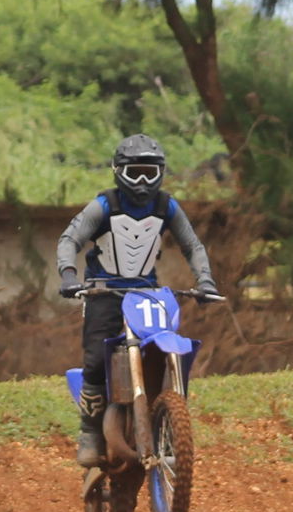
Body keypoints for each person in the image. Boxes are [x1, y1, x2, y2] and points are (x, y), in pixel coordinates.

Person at [56, 134, 220, 467]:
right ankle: (89, 432)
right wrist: (69, 276)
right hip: (103, 291)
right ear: (118, 171)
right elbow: (70, 238)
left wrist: (205, 280)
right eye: (135, 172)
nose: (143, 181)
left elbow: (193, 246)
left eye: (150, 172)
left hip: (147, 293)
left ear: (161, 171)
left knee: (166, 347)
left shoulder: (166, 206)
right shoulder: (104, 205)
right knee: (95, 360)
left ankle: (170, 416)